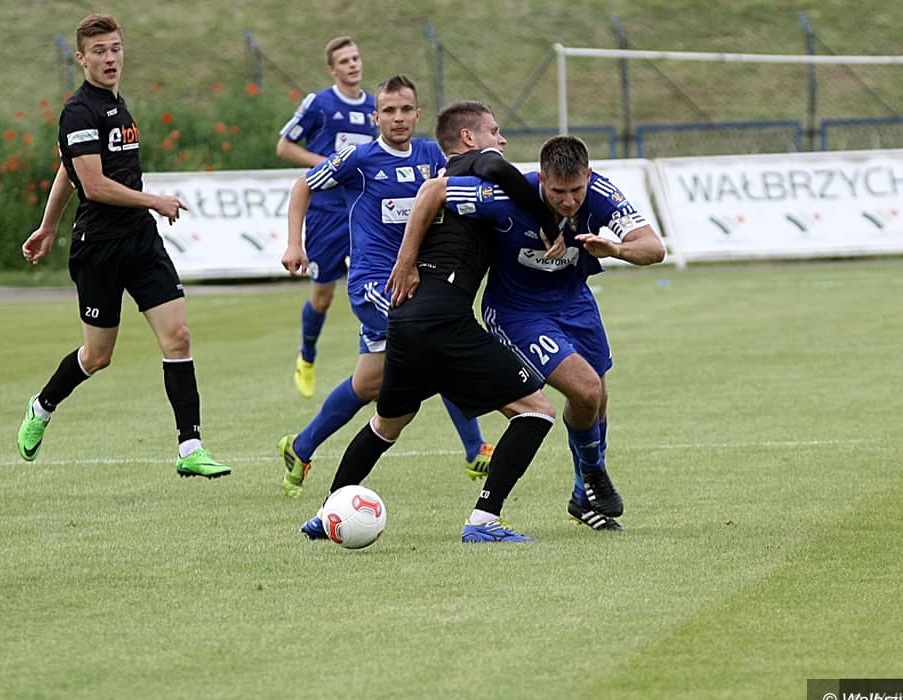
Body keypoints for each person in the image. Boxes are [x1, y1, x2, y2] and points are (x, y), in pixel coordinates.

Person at [299, 101, 561, 543]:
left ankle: (326, 514)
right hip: (442, 317)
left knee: (388, 424)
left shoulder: (448, 177)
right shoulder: (473, 167)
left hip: (408, 317)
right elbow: (496, 169)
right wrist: (547, 222)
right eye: (494, 131)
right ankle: (484, 521)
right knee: (537, 410)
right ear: (468, 138)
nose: (501, 140)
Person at [16, 13, 230, 479]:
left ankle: (190, 447)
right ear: (81, 58)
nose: (110, 58)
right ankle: (43, 405)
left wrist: (47, 226)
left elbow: (66, 169)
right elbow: (90, 184)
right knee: (98, 356)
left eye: (115, 49)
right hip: (99, 246)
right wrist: (153, 200)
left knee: (178, 336)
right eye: (100, 51)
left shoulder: (118, 104)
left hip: (140, 240)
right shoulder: (79, 111)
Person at [432, 135, 666, 531]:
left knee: (597, 400)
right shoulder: (507, 195)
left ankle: (582, 496)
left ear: (589, 176)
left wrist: (615, 249)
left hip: (575, 305)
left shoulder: (601, 193)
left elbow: (653, 249)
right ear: (541, 179)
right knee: (586, 389)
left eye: (577, 190)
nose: (569, 201)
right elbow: (435, 192)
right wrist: (407, 263)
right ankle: (593, 473)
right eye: (558, 192)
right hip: (516, 312)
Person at [277, 78, 493, 500]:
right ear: (376, 117)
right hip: (373, 284)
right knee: (435, 341)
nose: (398, 118)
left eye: (406, 109)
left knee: (367, 383)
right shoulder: (360, 159)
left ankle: (299, 447)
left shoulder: (432, 155)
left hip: (417, 281)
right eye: (389, 111)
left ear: (418, 114)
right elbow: (304, 185)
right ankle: (475, 449)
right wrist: (294, 243)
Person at [276, 36, 376, 399]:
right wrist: (330, 165)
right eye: (345, 61)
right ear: (333, 70)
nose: (353, 64)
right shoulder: (319, 104)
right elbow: (284, 146)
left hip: (364, 212)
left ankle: (380, 359)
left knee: (375, 286)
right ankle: (307, 356)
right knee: (322, 298)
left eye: (356, 58)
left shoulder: (376, 107)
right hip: (325, 215)